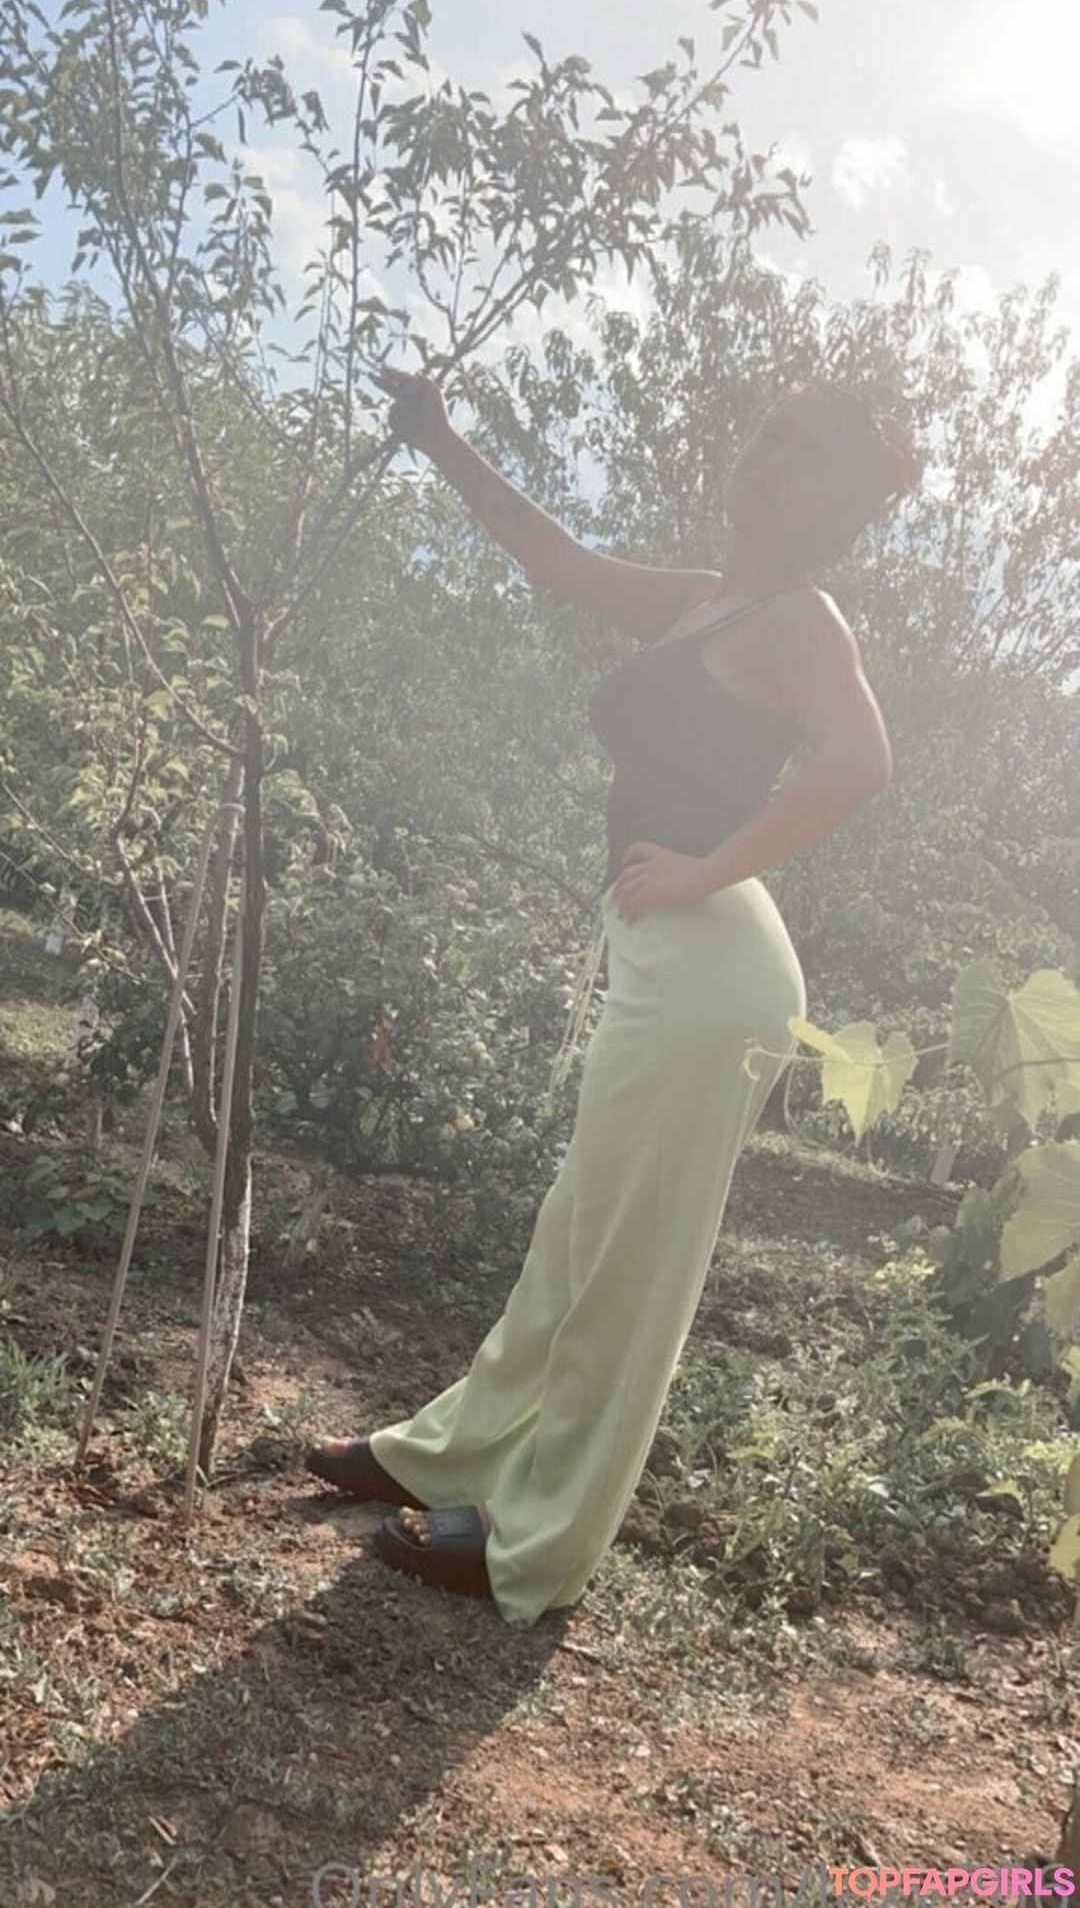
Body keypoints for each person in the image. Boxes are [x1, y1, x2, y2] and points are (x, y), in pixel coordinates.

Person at [306, 366, 920, 1625]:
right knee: (577, 1230)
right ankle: (448, 1453)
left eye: (804, 452)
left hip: (712, 966)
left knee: (628, 1265)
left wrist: (703, 865)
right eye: (768, 431)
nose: (766, 457)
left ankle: (534, 1541)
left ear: (837, 502)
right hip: (669, 955)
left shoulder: (804, 616)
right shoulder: (705, 598)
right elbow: (555, 553)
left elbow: (863, 762)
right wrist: (442, 439)